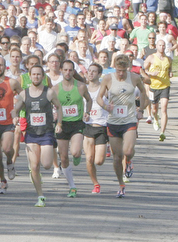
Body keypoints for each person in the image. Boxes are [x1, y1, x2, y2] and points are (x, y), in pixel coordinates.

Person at [97, 54, 148, 198]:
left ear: (128, 68)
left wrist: (141, 110)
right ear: (115, 68)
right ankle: (121, 184)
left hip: (129, 119)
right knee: (117, 157)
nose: (121, 73)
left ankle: (130, 161)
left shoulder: (134, 78)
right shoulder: (108, 78)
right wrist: (106, 107)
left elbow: (143, 92)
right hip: (113, 121)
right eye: (119, 70)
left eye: (123, 70)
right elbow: (99, 97)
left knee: (128, 150)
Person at [11, 65, 63, 207]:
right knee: (34, 166)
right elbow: (15, 110)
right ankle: (40, 196)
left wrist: (59, 123)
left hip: (46, 133)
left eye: (39, 74)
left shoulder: (49, 92)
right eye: (34, 74)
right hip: (31, 134)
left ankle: (40, 175)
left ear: (43, 77)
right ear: (30, 76)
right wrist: (15, 117)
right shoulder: (24, 94)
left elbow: (59, 107)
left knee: (46, 165)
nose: (36, 77)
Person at [53, 60, 92, 198]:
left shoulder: (81, 86)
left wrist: (87, 112)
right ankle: (72, 186)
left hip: (76, 124)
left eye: (71, 70)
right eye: (65, 70)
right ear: (61, 71)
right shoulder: (56, 88)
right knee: (63, 157)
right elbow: (51, 104)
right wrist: (54, 114)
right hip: (62, 124)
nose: (68, 73)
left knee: (75, 152)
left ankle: (77, 155)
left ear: (74, 71)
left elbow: (89, 100)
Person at [0, 56, 21, 194]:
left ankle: (10, 162)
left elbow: (23, 96)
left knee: (7, 149)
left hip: (7, 122)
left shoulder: (12, 82)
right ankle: (2, 180)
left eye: (1, 65)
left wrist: (16, 110)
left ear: (5, 67)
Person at [83, 63, 109, 194]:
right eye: (89, 71)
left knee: (98, 161)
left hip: (101, 127)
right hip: (88, 127)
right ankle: (95, 183)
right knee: (89, 159)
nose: (91, 73)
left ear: (99, 74)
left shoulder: (104, 90)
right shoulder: (83, 89)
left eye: (94, 71)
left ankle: (107, 145)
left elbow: (113, 103)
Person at [144, 39, 172, 141]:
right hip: (154, 86)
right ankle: (155, 118)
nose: (162, 47)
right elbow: (144, 69)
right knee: (154, 109)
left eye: (163, 45)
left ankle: (162, 132)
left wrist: (170, 73)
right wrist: (151, 73)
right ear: (156, 46)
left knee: (164, 109)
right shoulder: (151, 57)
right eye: (160, 45)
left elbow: (169, 69)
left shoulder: (168, 59)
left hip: (165, 86)